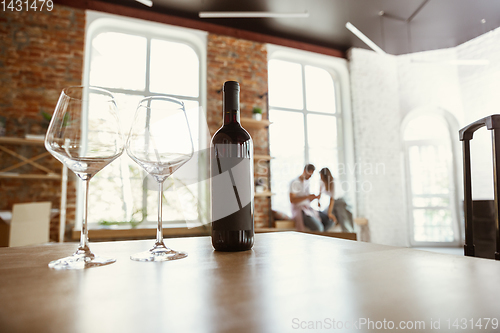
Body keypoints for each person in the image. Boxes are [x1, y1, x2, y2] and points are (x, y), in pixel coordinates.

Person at [289, 164, 332, 232]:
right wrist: (307, 197)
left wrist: (314, 198)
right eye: (309, 174)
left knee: (330, 220)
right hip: (300, 210)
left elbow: (307, 199)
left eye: (311, 175)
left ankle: (322, 235)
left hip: (309, 208)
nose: (310, 177)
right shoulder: (294, 182)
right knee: (319, 228)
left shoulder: (307, 183)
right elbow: (292, 200)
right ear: (304, 171)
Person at [318, 167, 354, 233]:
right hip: (332, 203)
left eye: (321, 176)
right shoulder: (322, 182)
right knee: (328, 219)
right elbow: (319, 192)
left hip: (340, 202)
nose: (321, 178)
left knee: (343, 220)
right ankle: (323, 233)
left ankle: (349, 235)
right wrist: (318, 201)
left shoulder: (334, 182)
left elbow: (332, 199)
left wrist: (329, 213)